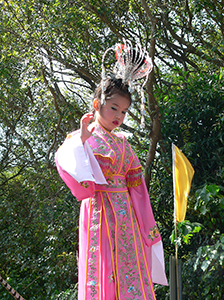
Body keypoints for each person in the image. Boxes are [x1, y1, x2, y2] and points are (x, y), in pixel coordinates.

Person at [55, 40, 168, 300]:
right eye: (113, 107)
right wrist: (81, 141)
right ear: (97, 105)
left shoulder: (124, 143)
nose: (118, 115)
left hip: (125, 213)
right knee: (102, 267)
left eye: (124, 111)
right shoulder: (79, 139)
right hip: (98, 212)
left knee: (130, 266)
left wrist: (146, 224)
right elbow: (72, 174)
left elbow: (138, 188)